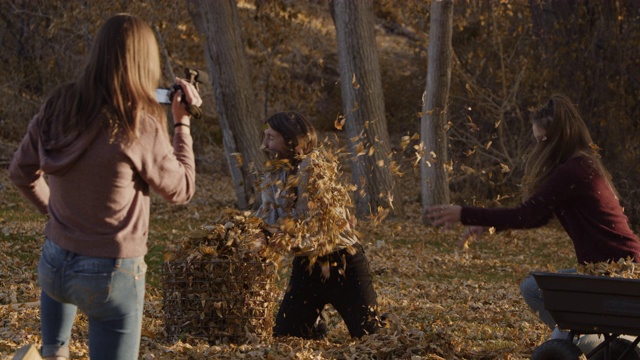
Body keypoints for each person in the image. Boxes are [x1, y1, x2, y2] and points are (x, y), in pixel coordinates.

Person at [9, 14, 201, 360]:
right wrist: (182, 124)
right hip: (110, 274)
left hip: (53, 266)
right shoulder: (139, 122)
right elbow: (181, 189)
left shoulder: (59, 105)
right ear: (145, 62)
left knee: (52, 353)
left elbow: (21, 172)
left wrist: (52, 211)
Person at [426, 94, 640, 349]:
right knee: (540, 294)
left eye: (544, 140)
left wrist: (464, 213)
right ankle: (591, 344)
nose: (540, 147)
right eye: (538, 140)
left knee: (535, 289)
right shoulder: (582, 165)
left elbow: (525, 215)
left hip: (616, 274)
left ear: (560, 136)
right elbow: (536, 219)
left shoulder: (573, 171)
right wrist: (488, 224)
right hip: (611, 270)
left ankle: (592, 344)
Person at [255, 111, 382, 339]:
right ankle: (315, 326)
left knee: (370, 337)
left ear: (292, 140)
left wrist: (282, 238)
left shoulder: (315, 169)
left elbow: (315, 225)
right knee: (286, 337)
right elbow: (268, 215)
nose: (264, 144)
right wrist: (257, 234)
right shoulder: (273, 173)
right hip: (307, 267)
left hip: (343, 263)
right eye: (265, 136)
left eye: (271, 138)